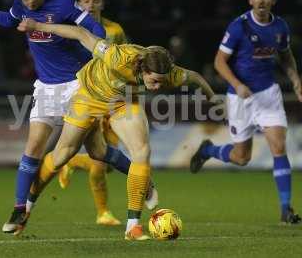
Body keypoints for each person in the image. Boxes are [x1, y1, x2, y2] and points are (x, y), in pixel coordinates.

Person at [0, 0, 156, 234]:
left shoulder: (64, 3)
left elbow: (96, 29)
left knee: (97, 153)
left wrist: (60, 29)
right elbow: (7, 20)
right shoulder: (20, 4)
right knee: (34, 148)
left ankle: (143, 180)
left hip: (79, 84)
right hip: (46, 88)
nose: (30, 1)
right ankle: (20, 209)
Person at [16, 18, 218, 240]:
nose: (158, 86)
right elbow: (82, 34)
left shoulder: (169, 73)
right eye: (154, 81)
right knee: (64, 154)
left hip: (123, 102)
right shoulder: (119, 57)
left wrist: (213, 100)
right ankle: (26, 207)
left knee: (142, 150)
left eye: (161, 82)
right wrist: (38, 27)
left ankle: (133, 227)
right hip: (89, 96)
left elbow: (196, 77)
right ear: (142, 68)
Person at [190, 0, 302, 224]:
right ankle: (209, 149)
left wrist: (295, 79)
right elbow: (219, 62)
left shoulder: (280, 27)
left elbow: (286, 56)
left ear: (272, 0)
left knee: (278, 147)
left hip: (268, 95)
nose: (261, 0)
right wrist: (238, 84)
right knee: (242, 158)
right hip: (240, 98)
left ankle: (286, 210)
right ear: (250, 0)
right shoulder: (239, 27)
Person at [57, 0, 130, 226]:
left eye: (95, 1)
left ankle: (72, 162)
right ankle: (103, 213)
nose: (90, 5)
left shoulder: (114, 30)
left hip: (113, 99)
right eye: (86, 1)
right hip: (88, 97)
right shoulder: (73, 30)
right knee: (100, 162)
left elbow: (124, 58)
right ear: (79, 4)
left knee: (107, 162)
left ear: (102, 4)